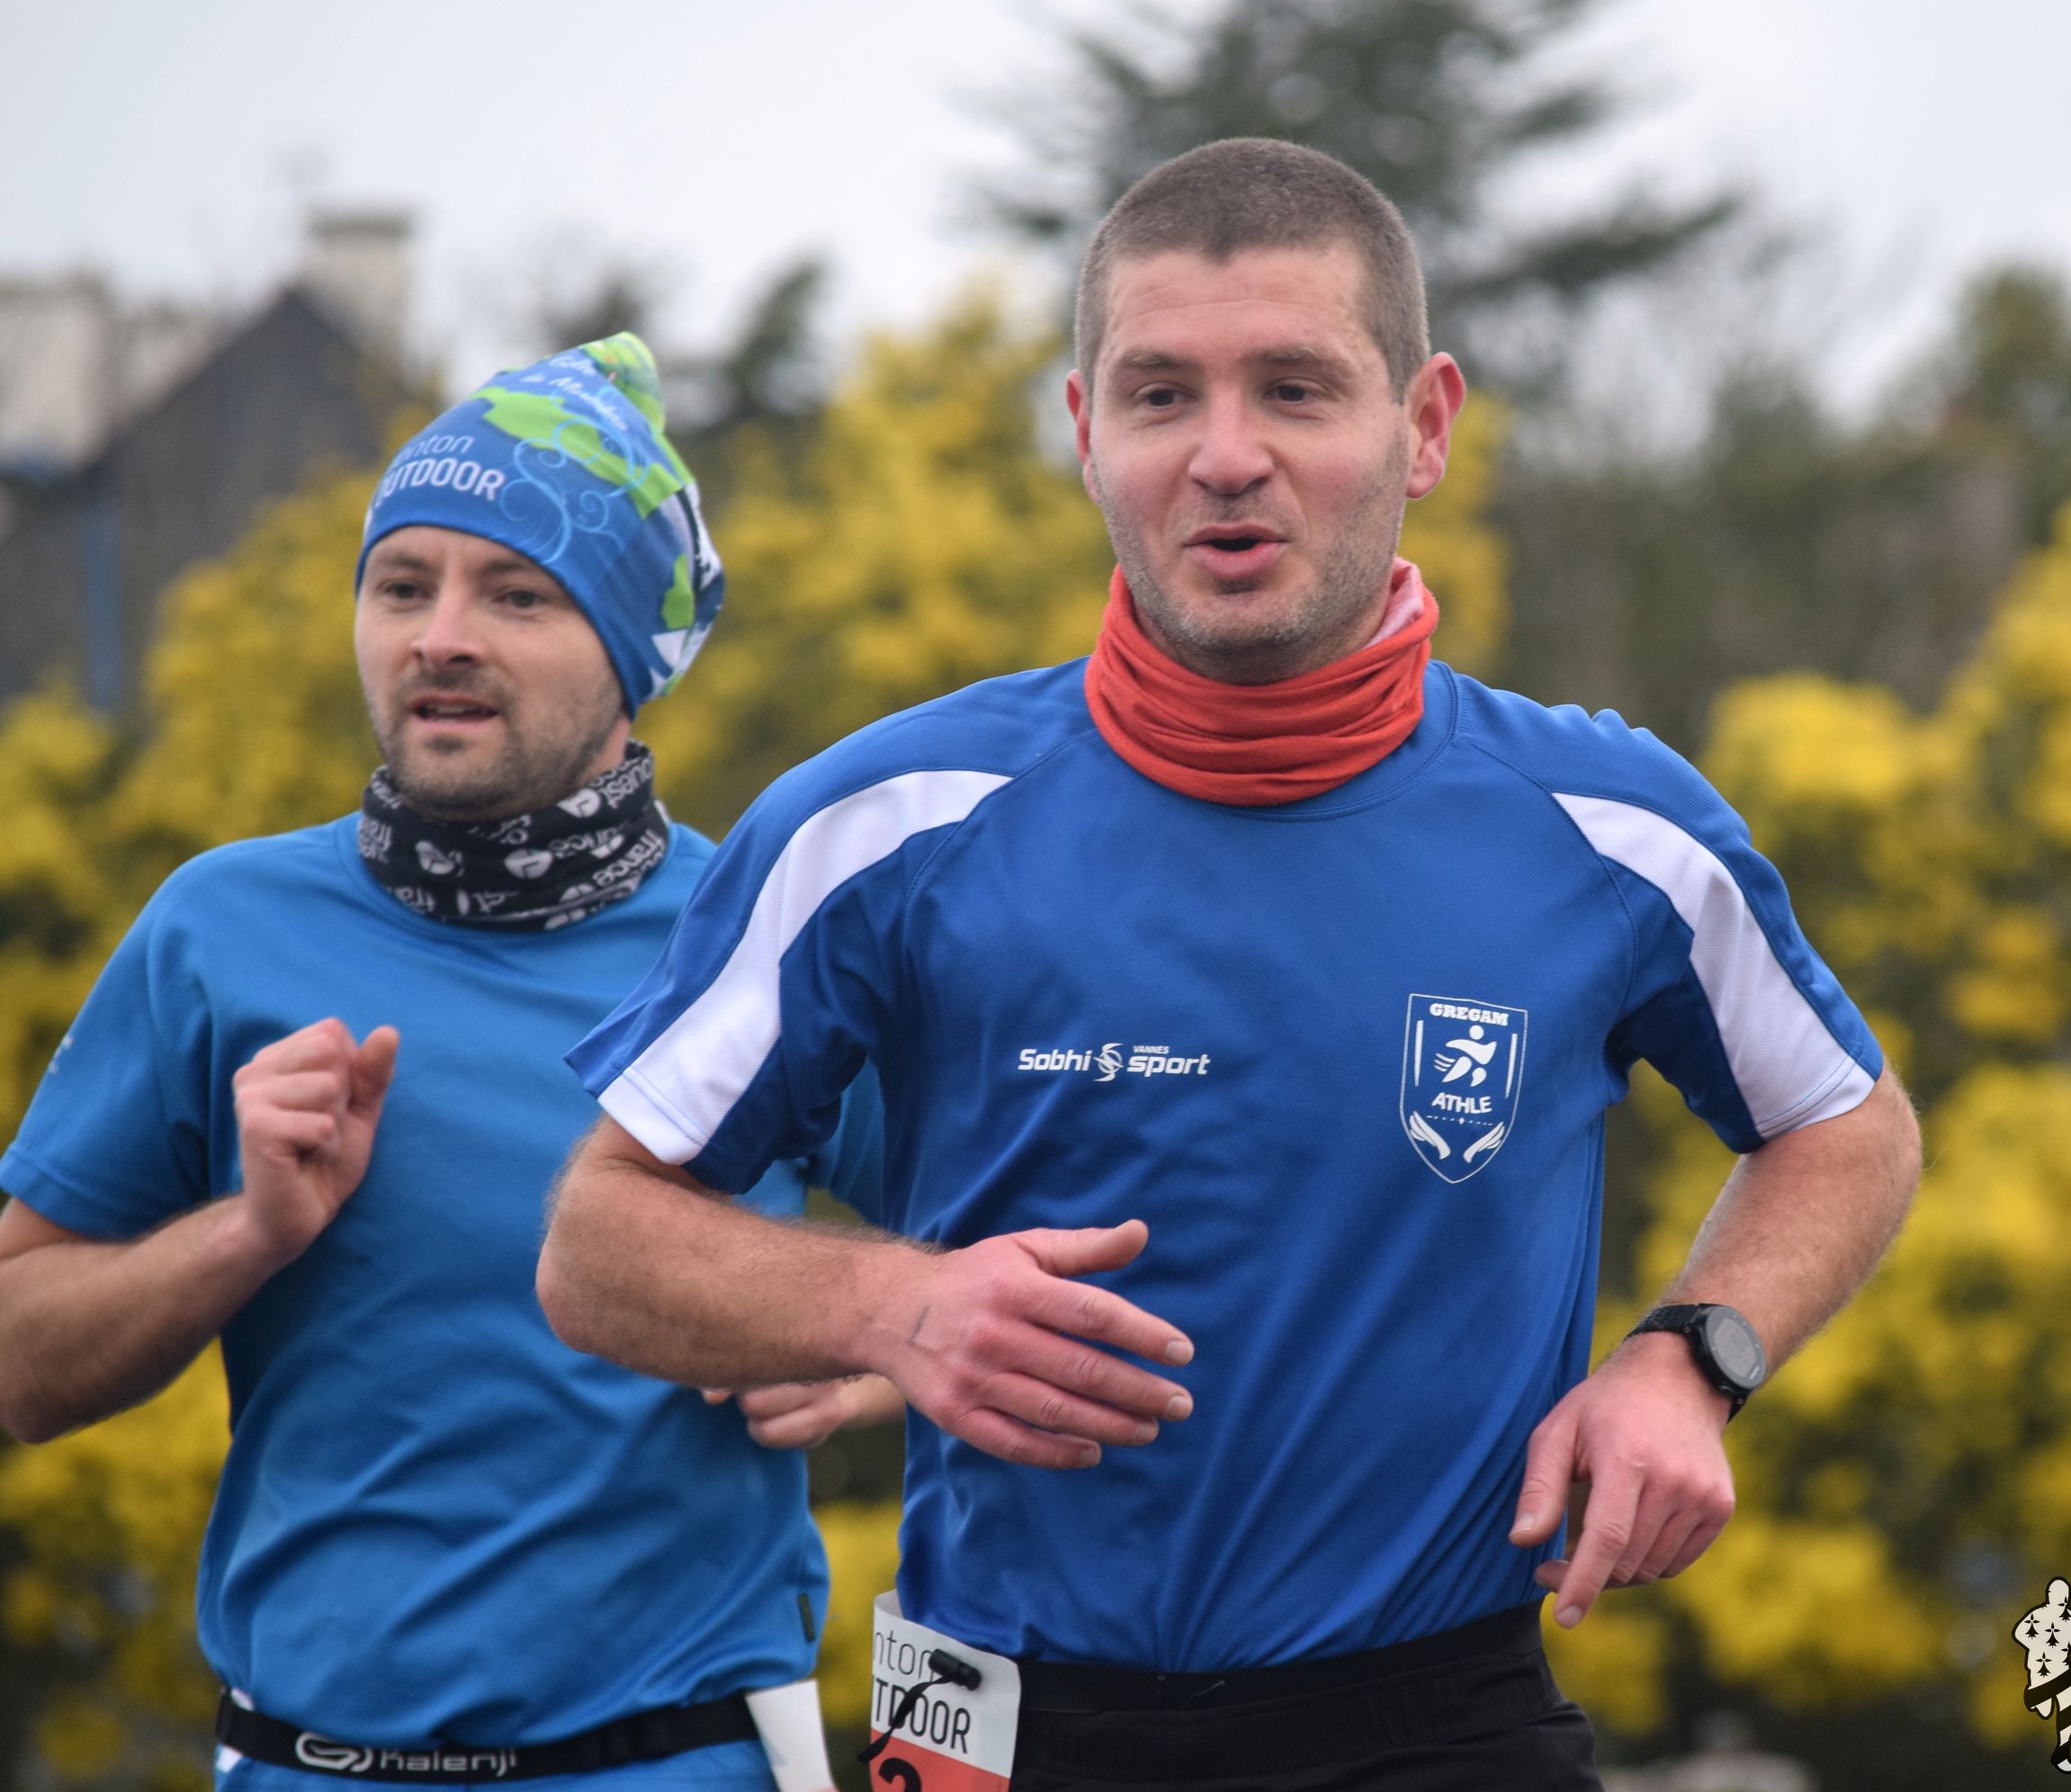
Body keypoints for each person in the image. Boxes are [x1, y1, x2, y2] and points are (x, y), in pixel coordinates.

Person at [542, 140, 1923, 1792]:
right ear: (1084, 434)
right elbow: (594, 1244)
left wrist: (1693, 1356)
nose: (1224, 457)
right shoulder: (884, 821)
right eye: (1160, 397)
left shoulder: (1610, 828)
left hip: (1437, 1724)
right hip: (992, 1722)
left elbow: (1847, 1125)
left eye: (1294, 389)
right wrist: (886, 1306)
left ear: (1424, 425)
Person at [0, 335, 887, 1789]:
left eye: (517, 594)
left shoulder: (759, 933)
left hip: (674, 1760)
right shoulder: (218, 928)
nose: (441, 636)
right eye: (403, 585)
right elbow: (21, 1369)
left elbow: (1035, 1244)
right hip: (302, 1763)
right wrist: (247, 1234)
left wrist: (872, 1354)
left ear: (633, 655)